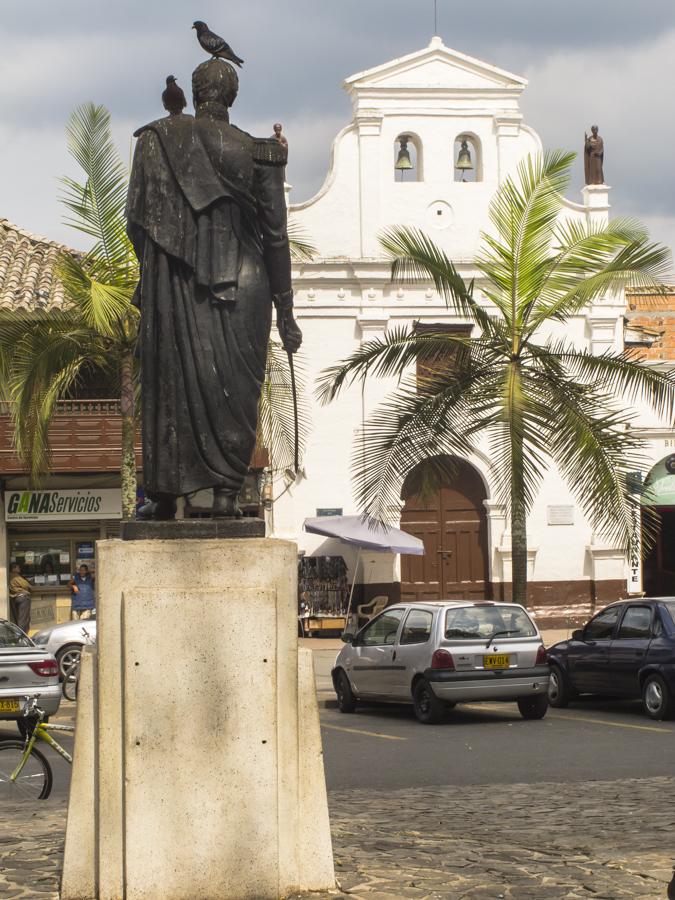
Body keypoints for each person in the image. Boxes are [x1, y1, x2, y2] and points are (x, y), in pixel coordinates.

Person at [126, 58, 302, 520]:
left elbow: (136, 218)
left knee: (173, 380)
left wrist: (166, 262)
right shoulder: (261, 153)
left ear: (193, 90)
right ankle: (226, 495)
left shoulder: (155, 140)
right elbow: (276, 235)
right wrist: (286, 310)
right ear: (232, 96)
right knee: (237, 391)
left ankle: (166, 498)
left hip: (178, 279)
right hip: (247, 278)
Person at [8, 563, 32, 634]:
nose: (19, 569)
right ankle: (22, 637)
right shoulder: (15, 576)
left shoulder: (9, 575)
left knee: (17, 619)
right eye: (18, 567)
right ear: (13, 569)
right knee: (23, 619)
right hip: (22, 597)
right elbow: (26, 585)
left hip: (14, 598)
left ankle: (19, 636)